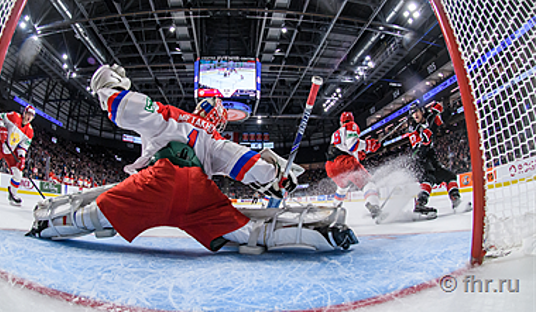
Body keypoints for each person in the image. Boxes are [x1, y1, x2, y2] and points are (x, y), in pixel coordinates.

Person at [27, 64, 358, 253]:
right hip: (198, 193)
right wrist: (277, 177)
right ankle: (318, 232)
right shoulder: (216, 138)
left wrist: (111, 83)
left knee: (97, 214)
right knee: (249, 233)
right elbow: (246, 164)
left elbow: (122, 105)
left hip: (159, 181)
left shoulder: (174, 115)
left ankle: (46, 225)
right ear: (217, 118)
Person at [407, 101, 462, 219]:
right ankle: (419, 205)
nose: (415, 115)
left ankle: (456, 200)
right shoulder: (413, 129)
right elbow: (418, 152)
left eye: (416, 111)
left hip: (431, 157)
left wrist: (443, 109)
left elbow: (444, 118)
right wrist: (424, 142)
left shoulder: (431, 118)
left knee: (449, 176)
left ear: (422, 110)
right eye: (412, 113)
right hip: (420, 159)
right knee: (428, 179)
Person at [324, 112, 382, 218]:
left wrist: (359, 153)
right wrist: (368, 145)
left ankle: (334, 209)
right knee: (368, 183)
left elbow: (343, 147)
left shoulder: (336, 133)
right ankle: (374, 207)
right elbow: (352, 144)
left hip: (330, 166)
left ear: (340, 122)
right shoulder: (351, 125)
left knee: (342, 188)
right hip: (344, 162)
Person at [0, 105, 36, 205]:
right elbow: (0, 117)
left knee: (18, 174)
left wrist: (21, 157)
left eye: (32, 115)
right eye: (28, 114)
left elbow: (23, 146)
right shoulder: (14, 116)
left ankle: (13, 194)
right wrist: (2, 128)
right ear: (24, 113)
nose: (29, 117)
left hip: (11, 150)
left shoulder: (30, 131)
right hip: (0, 145)